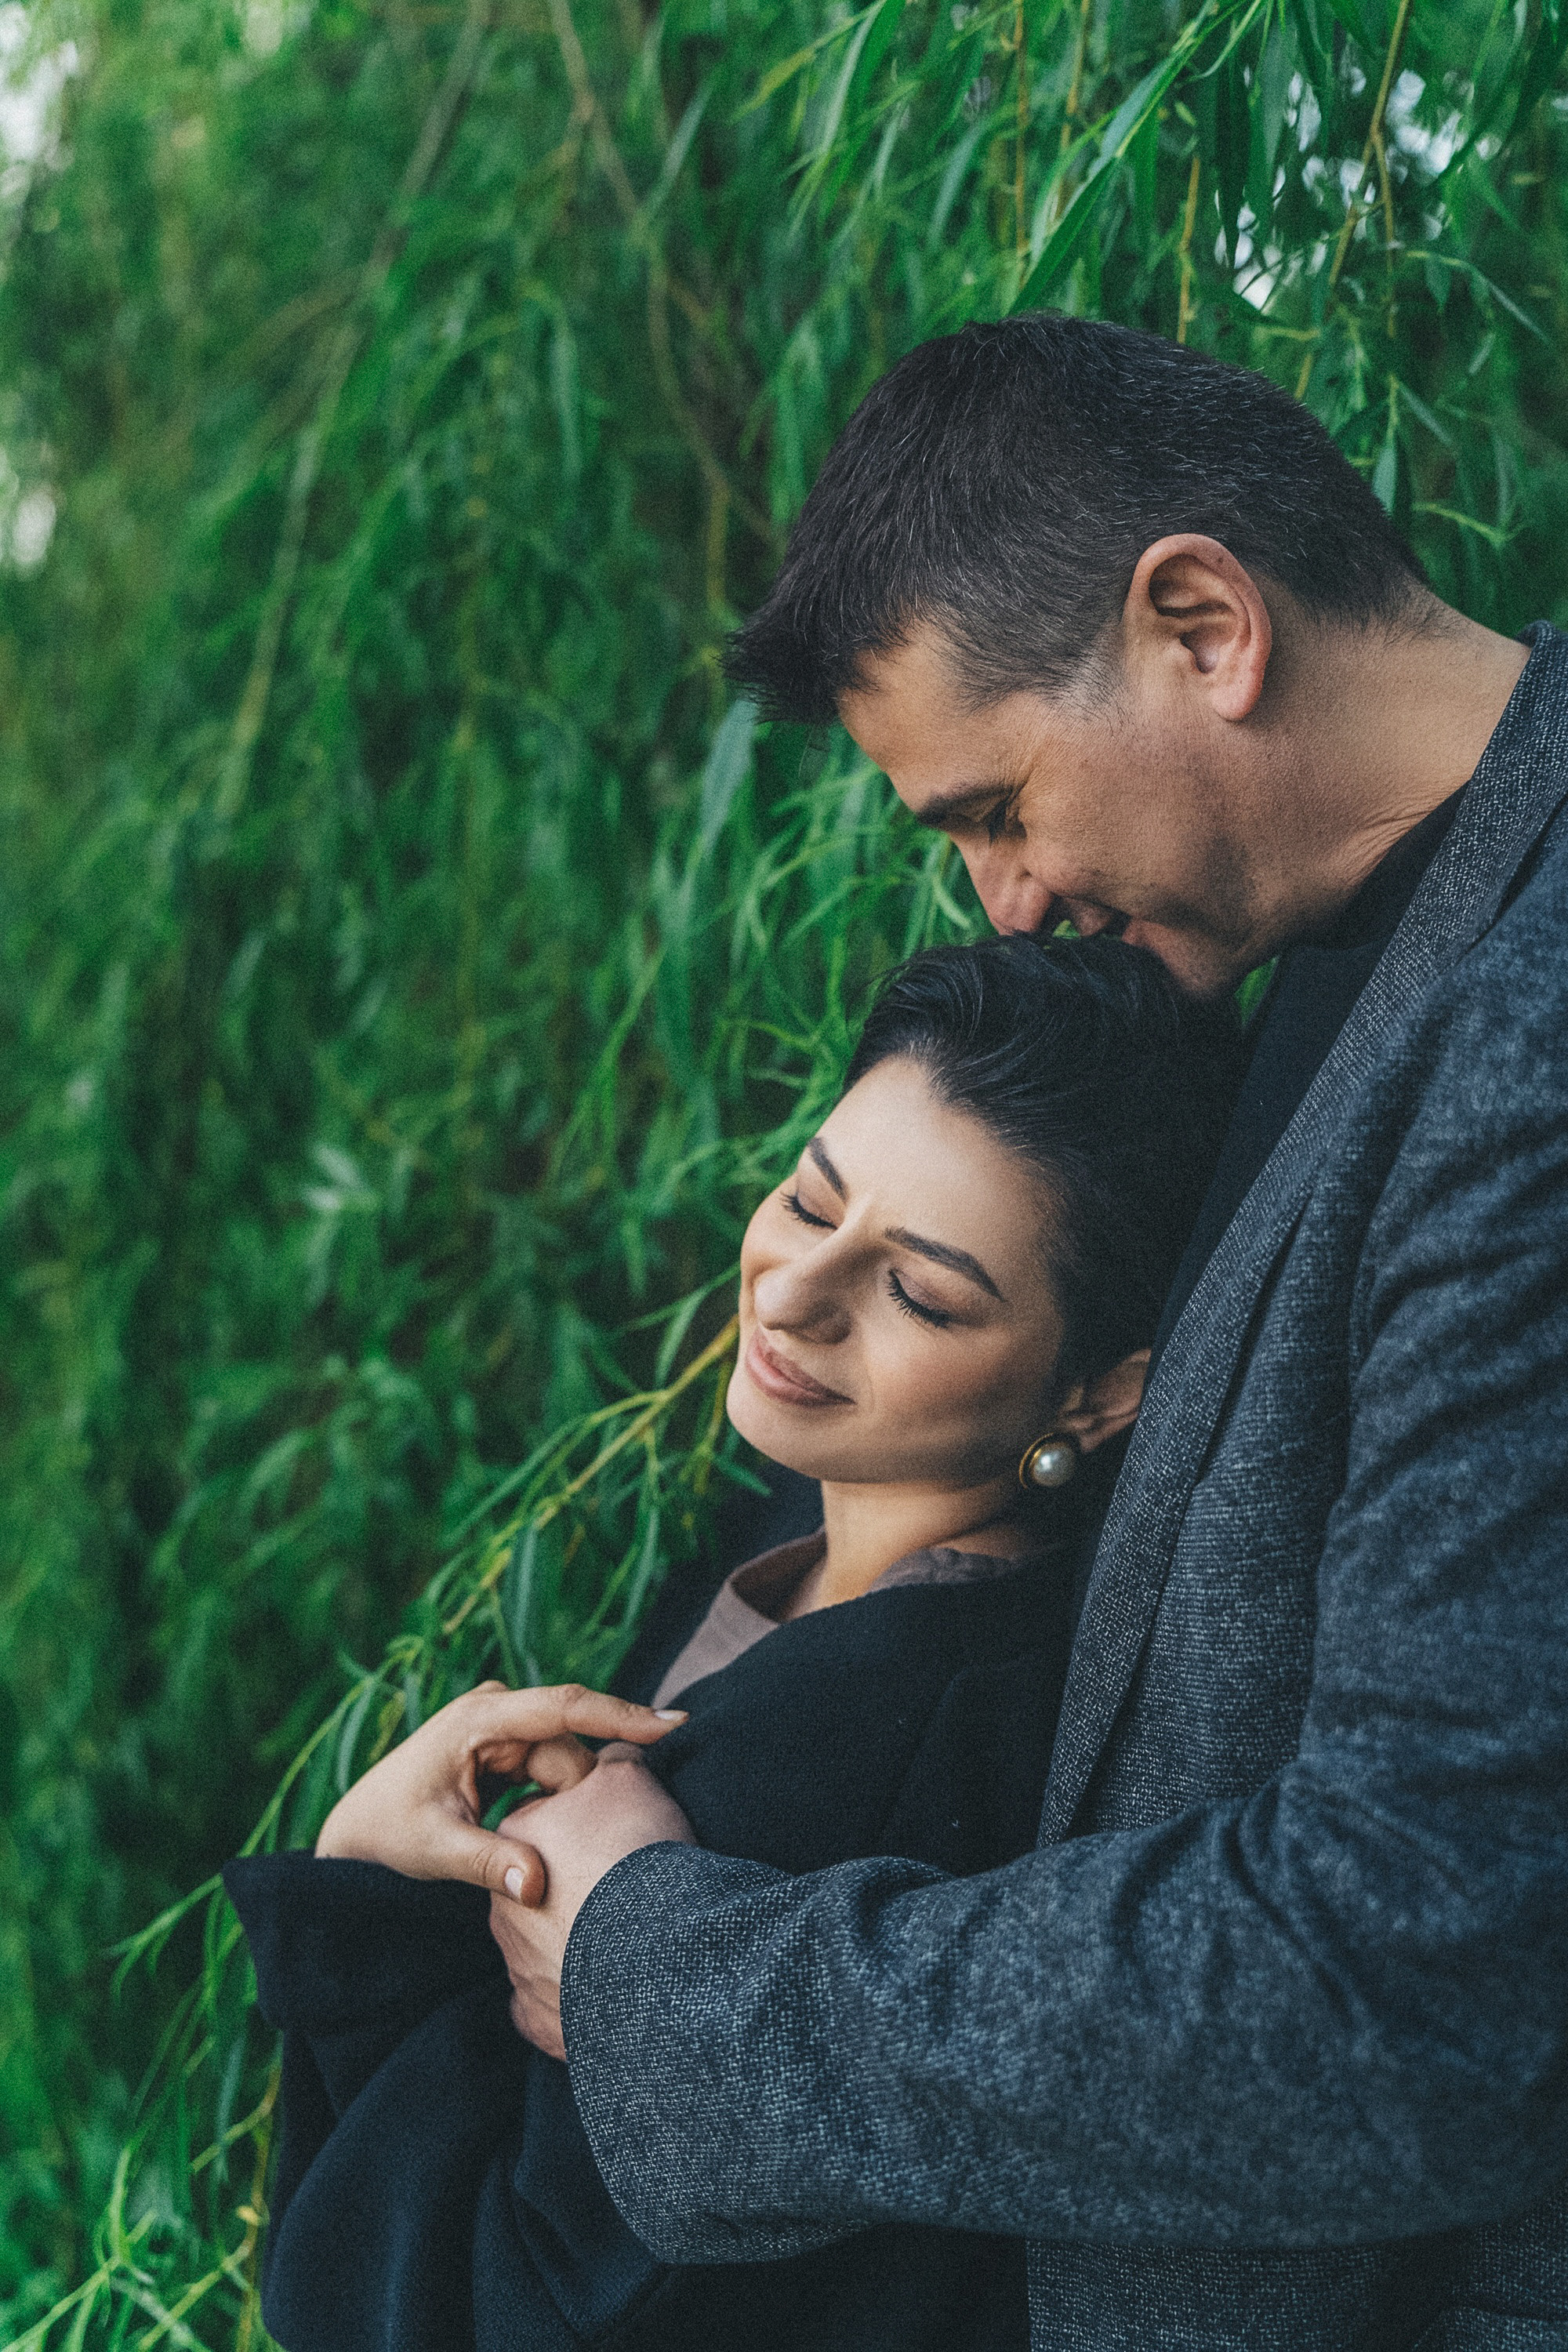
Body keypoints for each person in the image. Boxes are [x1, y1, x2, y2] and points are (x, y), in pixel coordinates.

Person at [488, 314, 1568, 2350]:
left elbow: (1416, 1984)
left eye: (994, 806)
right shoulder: (1358, 959)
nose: (999, 902)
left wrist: (677, 1964)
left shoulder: (1530, 1047)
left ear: (1199, 623)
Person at [224, 933, 1243, 2352]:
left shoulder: (880, 1755)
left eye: (920, 1291)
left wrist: (367, 1898)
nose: (792, 1293)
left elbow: (458, 2308)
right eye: (810, 1199)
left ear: (1099, 1398)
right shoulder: (796, 1522)